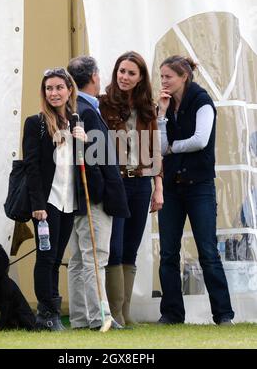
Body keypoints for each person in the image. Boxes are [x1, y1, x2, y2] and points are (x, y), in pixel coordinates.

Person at [156, 55, 235, 325]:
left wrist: (172, 148)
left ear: (183, 77)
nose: (163, 80)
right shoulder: (166, 105)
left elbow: (200, 140)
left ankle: (223, 314)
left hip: (199, 186)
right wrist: (163, 115)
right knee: (168, 252)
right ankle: (172, 314)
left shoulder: (202, 101)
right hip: (172, 187)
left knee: (207, 251)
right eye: (162, 75)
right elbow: (159, 144)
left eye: (168, 76)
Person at [99, 51, 164, 326]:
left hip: (140, 183)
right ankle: (114, 314)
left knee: (131, 246)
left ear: (140, 78)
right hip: (116, 182)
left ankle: (124, 312)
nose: (124, 77)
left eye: (131, 73)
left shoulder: (147, 108)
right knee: (114, 246)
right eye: (121, 71)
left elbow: (154, 150)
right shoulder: (103, 105)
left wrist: (158, 187)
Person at [67, 56, 130, 330]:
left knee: (80, 259)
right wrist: (100, 191)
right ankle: (98, 317)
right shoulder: (86, 110)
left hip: (80, 196)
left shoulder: (76, 107)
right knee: (95, 257)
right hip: (93, 196)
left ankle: (81, 317)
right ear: (94, 76)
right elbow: (96, 157)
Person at [22, 67, 87, 331]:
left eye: (59, 87)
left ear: (69, 90)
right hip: (47, 203)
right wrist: (37, 205)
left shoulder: (75, 121)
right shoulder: (35, 123)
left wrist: (85, 142)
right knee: (46, 257)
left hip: (68, 200)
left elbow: (81, 164)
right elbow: (32, 166)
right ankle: (46, 313)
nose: (54, 93)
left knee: (58, 256)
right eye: (49, 88)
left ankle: (52, 313)